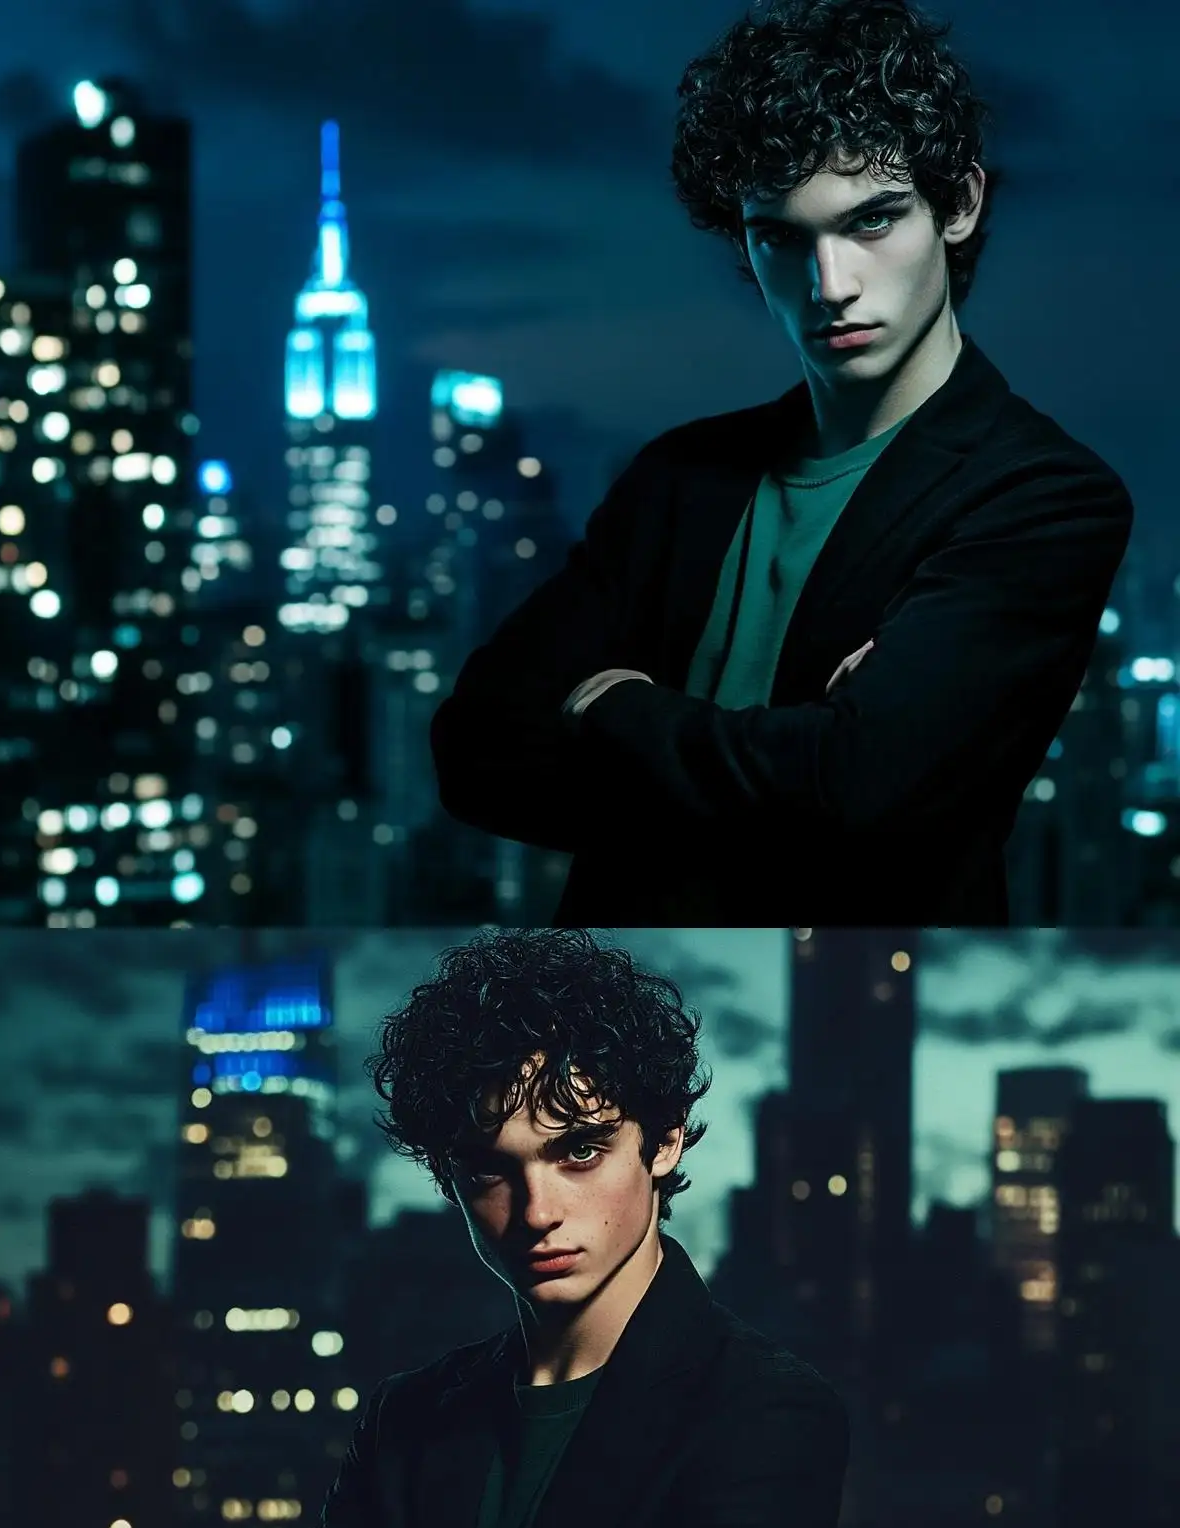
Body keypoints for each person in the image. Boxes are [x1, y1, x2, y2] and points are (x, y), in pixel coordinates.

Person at [430, 0, 1131, 925]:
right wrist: (788, 763)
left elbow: (858, 793)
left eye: (873, 222)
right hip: (623, 1021)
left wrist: (608, 711)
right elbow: (474, 747)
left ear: (957, 204)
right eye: (781, 237)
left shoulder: (1043, 498)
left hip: (858, 1025)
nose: (830, 284)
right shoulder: (679, 478)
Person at [215, 931, 848, 1528]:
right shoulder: (411, 1420)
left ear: (663, 1141)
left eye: (580, 1151)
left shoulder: (764, 1418)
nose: (540, 1208)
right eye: (490, 1170)